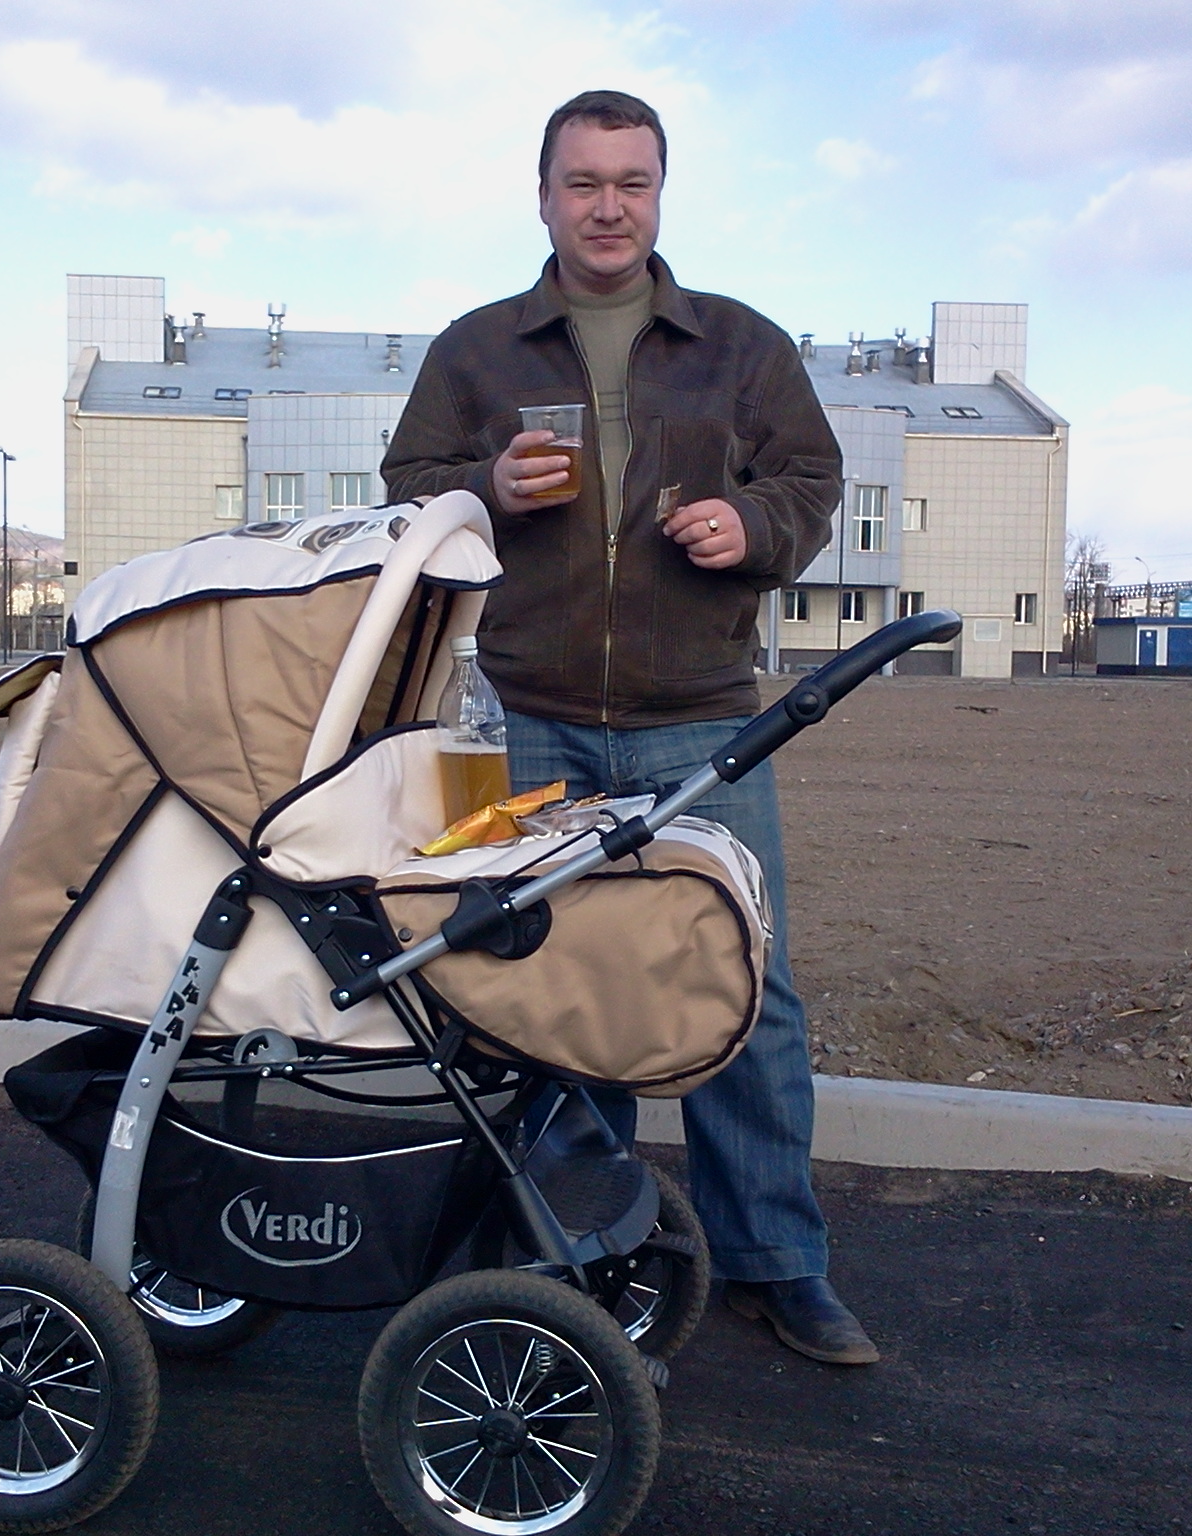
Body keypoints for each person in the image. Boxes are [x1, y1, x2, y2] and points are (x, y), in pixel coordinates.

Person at [382, 90, 877, 1365]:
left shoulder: (741, 346)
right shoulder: (475, 351)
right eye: (584, 182)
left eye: (631, 182)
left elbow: (809, 482)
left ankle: (775, 1263)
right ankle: (569, 1251)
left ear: (660, 194)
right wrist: (484, 487)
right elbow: (404, 493)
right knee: (541, 989)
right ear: (543, 197)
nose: (608, 207)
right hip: (523, 726)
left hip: (697, 726)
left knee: (746, 990)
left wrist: (749, 527)